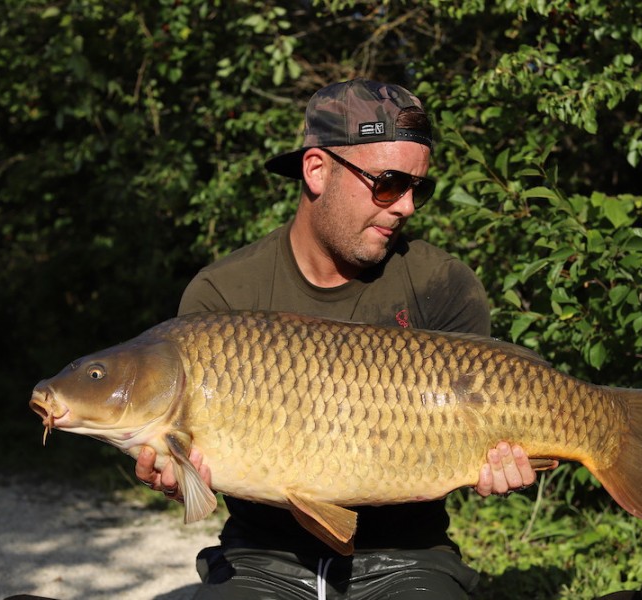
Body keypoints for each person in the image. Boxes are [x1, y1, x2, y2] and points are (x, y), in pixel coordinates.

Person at [135, 78, 543, 599]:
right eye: (389, 183)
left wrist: (499, 467)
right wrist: (177, 479)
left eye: (419, 188)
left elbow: (480, 439)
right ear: (316, 169)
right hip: (263, 558)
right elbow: (193, 472)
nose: (407, 207)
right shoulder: (222, 294)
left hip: (409, 556)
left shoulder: (443, 285)